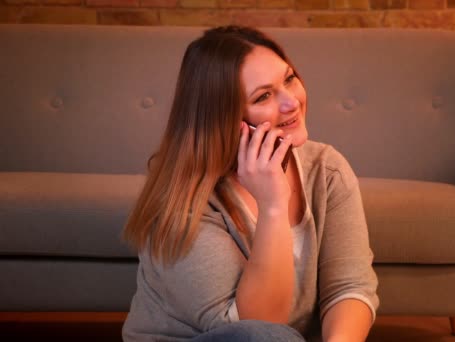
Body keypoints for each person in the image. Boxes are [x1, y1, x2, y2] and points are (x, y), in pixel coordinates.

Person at [121, 26, 379, 342]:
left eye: (289, 79)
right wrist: (273, 206)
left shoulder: (326, 169)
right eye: (264, 96)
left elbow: (349, 287)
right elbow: (257, 328)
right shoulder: (183, 199)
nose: (291, 103)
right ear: (226, 120)